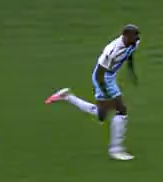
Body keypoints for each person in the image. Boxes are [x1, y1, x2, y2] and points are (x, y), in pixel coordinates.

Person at [45, 24, 140, 161]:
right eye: (134, 36)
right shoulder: (111, 51)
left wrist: (131, 70)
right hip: (102, 78)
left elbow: (130, 53)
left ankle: (67, 96)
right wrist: (105, 93)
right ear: (125, 36)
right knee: (121, 110)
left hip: (110, 76)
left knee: (102, 115)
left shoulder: (134, 42)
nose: (137, 38)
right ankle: (115, 150)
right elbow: (99, 74)